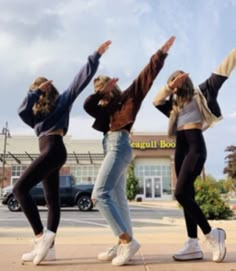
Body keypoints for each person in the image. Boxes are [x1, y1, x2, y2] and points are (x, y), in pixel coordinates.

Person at [13, 40, 111, 265]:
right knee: (52, 201)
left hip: (54, 148)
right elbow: (21, 110)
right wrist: (36, 92)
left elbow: (79, 82)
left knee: (19, 189)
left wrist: (94, 56)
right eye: (34, 91)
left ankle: (41, 238)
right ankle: (51, 249)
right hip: (51, 151)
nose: (38, 94)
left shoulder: (61, 102)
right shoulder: (34, 116)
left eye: (40, 90)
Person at [83, 36, 175, 266]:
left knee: (99, 195)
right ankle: (123, 241)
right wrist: (99, 95)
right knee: (118, 198)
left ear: (112, 87)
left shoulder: (127, 99)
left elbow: (146, 77)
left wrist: (160, 54)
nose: (102, 92)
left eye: (103, 88)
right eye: (99, 90)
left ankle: (126, 241)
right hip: (111, 147)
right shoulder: (104, 112)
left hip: (119, 145)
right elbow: (87, 106)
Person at [152, 48, 236, 262]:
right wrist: (169, 86)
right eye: (173, 83)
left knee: (180, 193)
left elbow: (223, 70)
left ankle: (212, 234)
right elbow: (156, 100)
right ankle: (192, 243)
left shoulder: (202, 92)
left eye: (178, 82)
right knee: (187, 195)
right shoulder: (172, 105)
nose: (176, 86)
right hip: (180, 147)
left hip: (195, 146)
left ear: (186, 81)